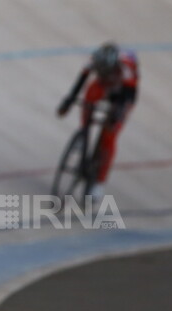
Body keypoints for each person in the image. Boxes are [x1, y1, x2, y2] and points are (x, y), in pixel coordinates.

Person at [56, 41, 139, 200]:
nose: (103, 72)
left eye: (106, 71)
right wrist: (68, 102)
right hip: (103, 85)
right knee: (89, 99)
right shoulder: (92, 61)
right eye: (101, 70)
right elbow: (79, 83)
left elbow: (128, 97)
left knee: (110, 135)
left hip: (123, 92)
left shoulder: (127, 69)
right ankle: (84, 132)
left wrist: (117, 115)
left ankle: (98, 183)